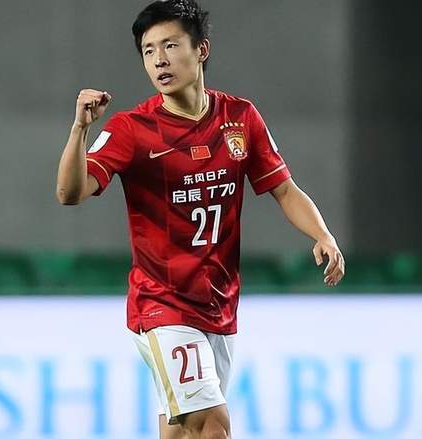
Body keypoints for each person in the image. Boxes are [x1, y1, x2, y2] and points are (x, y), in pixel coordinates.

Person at [56, 1, 345, 437]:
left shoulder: (239, 118)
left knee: (180, 431)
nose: (159, 59)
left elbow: (284, 188)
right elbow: (69, 194)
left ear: (201, 49)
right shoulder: (132, 129)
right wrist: (80, 129)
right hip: (162, 304)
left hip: (219, 304)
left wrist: (322, 234)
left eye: (170, 45)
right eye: (149, 50)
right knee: (212, 425)